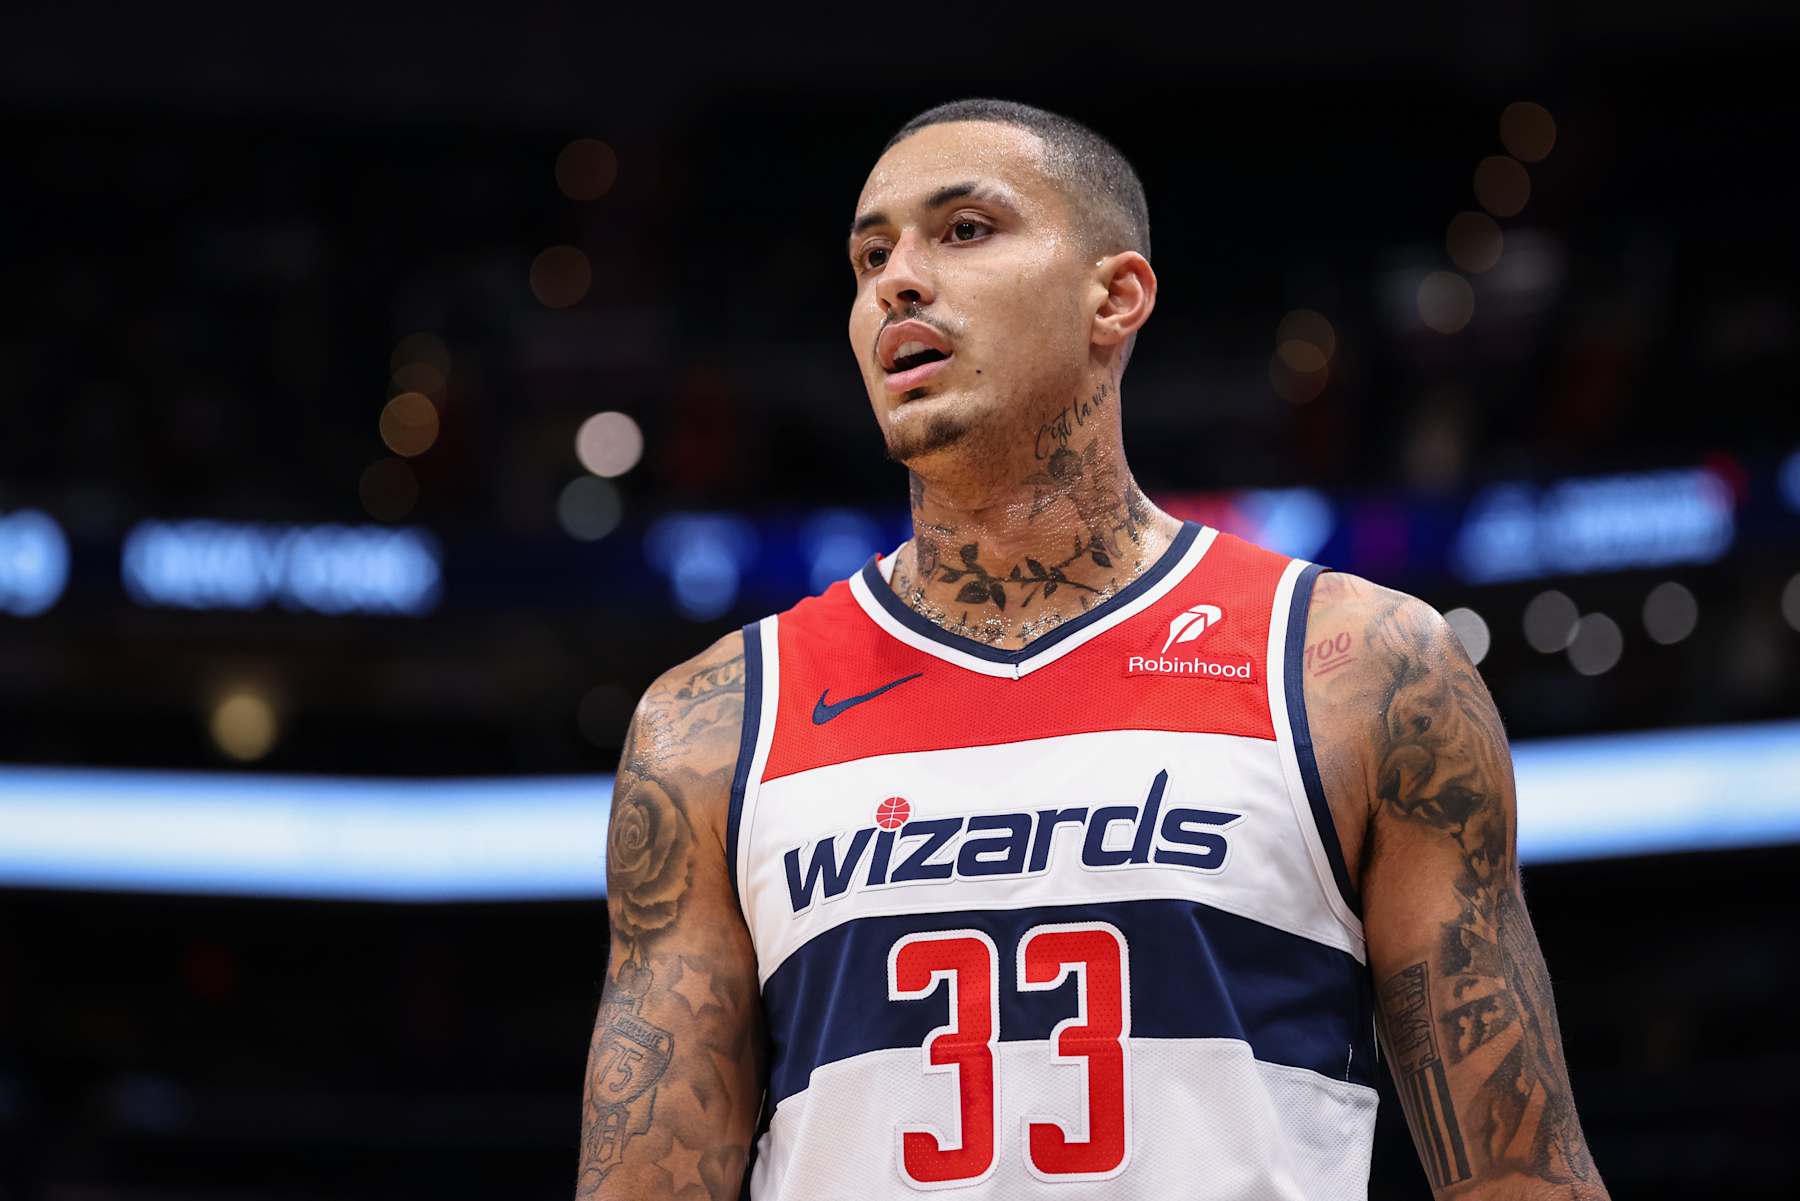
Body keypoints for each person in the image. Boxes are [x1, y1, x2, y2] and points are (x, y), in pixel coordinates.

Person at [576, 98, 1608, 1200]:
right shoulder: (715, 719)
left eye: (964, 230)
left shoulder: (1360, 667)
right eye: (871, 254)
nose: (898, 281)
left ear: (1115, 297)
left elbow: (1518, 1175)